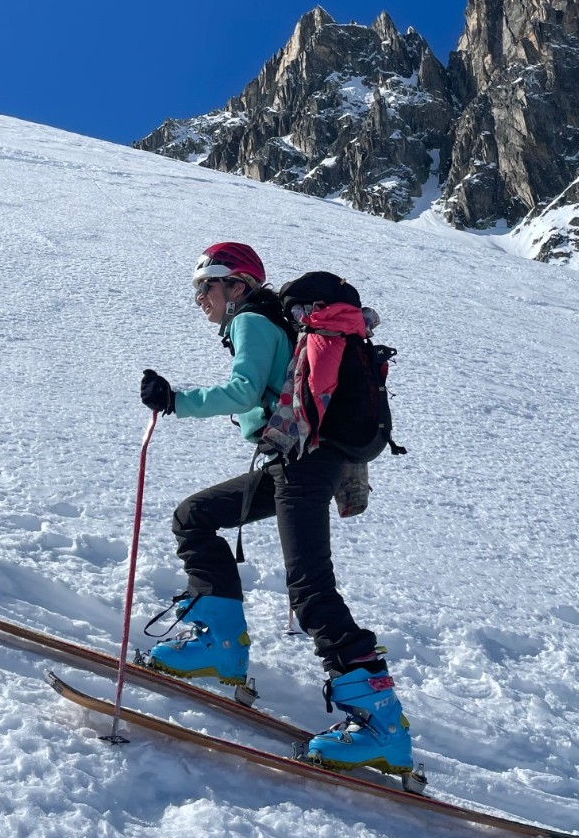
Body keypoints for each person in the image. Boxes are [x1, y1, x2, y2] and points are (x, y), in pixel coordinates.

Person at [139, 241, 413, 776]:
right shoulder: (273, 322)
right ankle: (220, 646)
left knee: (310, 588)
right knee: (195, 516)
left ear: (236, 285)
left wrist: (175, 401)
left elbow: (244, 391)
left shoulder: (251, 319)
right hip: (299, 460)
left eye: (206, 286)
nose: (200, 298)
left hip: (302, 462)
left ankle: (382, 725)